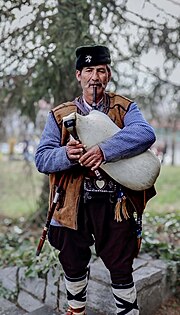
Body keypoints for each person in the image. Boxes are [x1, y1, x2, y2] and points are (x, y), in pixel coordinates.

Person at [35, 45, 157, 315]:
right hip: (71, 205)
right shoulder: (60, 114)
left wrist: (104, 151)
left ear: (108, 75)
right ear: (79, 75)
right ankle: (76, 310)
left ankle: (127, 312)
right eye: (88, 70)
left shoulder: (124, 108)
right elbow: (42, 158)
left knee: (121, 264)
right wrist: (67, 154)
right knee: (72, 260)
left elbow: (145, 134)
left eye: (100, 70)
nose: (94, 77)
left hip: (116, 203)